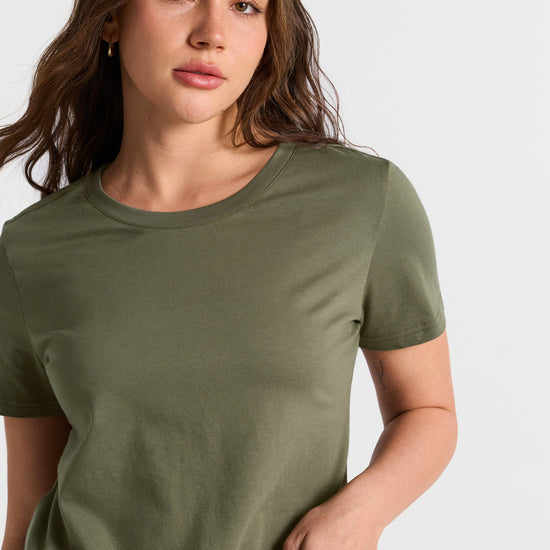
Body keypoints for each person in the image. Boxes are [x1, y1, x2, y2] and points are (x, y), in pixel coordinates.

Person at [0, 1, 457, 549]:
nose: (212, 33)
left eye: (245, 6)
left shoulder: (359, 203)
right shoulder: (33, 247)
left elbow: (427, 410)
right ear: (111, 17)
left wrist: (361, 511)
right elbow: (27, 506)